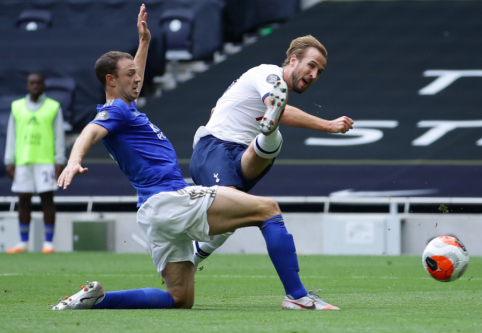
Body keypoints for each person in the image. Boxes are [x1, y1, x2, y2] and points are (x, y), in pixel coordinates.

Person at [52, 4, 339, 311]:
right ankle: (297, 296)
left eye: (137, 73)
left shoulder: (125, 107)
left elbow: (128, 81)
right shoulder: (116, 111)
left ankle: (97, 301)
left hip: (153, 214)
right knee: (267, 209)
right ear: (111, 81)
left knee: (180, 299)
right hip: (171, 200)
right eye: (130, 75)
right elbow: (91, 131)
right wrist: (73, 159)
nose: (138, 78)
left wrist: (145, 43)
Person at [190, 35, 354, 268]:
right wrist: (328, 125)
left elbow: (219, 107)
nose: (314, 75)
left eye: (320, 71)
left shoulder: (272, 85)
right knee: (237, 207)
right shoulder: (269, 74)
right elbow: (283, 112)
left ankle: (188, 258)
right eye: (312, 65)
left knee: (230, 219)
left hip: (239, 154)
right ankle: (295, 295)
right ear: (294, 60)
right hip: (215, 148)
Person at [4, 73, 66, 254]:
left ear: (44, 84)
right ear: (27, 85)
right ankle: (23, 242)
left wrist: (59, 160)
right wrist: (9, 160)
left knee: (47, 200)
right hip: (23, 160)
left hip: (45, 161)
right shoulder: (17, 107)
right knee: (23, 200)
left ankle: (48, 243)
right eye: (32, 83)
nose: (35, 85)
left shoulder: (53, 107)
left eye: (38, 82)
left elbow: (59, 136)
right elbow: (11, 135)